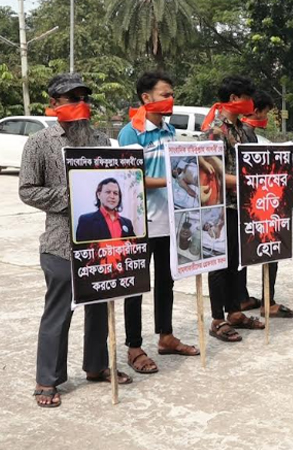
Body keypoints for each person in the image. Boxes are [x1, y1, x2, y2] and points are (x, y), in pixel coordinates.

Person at [20, 73, 132, 407]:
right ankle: (47, 380)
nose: (80, 104)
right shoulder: (39, 142)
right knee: (58, 311)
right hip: (60, 243)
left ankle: (97, 366)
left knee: (100, 306)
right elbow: (27, 189)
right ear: (54, 104)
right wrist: (72, 197)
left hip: (100, 243)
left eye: (84, 97)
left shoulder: (101, 140)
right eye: (72, 98)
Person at [117, 72, 198, 375]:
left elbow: (179, 169)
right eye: (165, 94)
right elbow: (131, 179)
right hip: (140, 222)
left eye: (172, 93)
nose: (170, 99)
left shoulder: (168, 130)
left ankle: (166, 336)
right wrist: (170, 181)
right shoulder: (130, 133)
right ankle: (134, 347)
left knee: (167, 280)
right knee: (136, 285)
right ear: (146, 98)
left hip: (169, 221)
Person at [202, 75, 268, 342]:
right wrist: (248, 180)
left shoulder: (243, 129)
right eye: (247, 97)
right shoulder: (214, 132)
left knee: (238, 263)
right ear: (233, 99)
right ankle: (218, 320)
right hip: (220, 208)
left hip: (243, 205)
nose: (251, 102)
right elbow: (211, 174)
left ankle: (236, 311)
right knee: (219, 264)